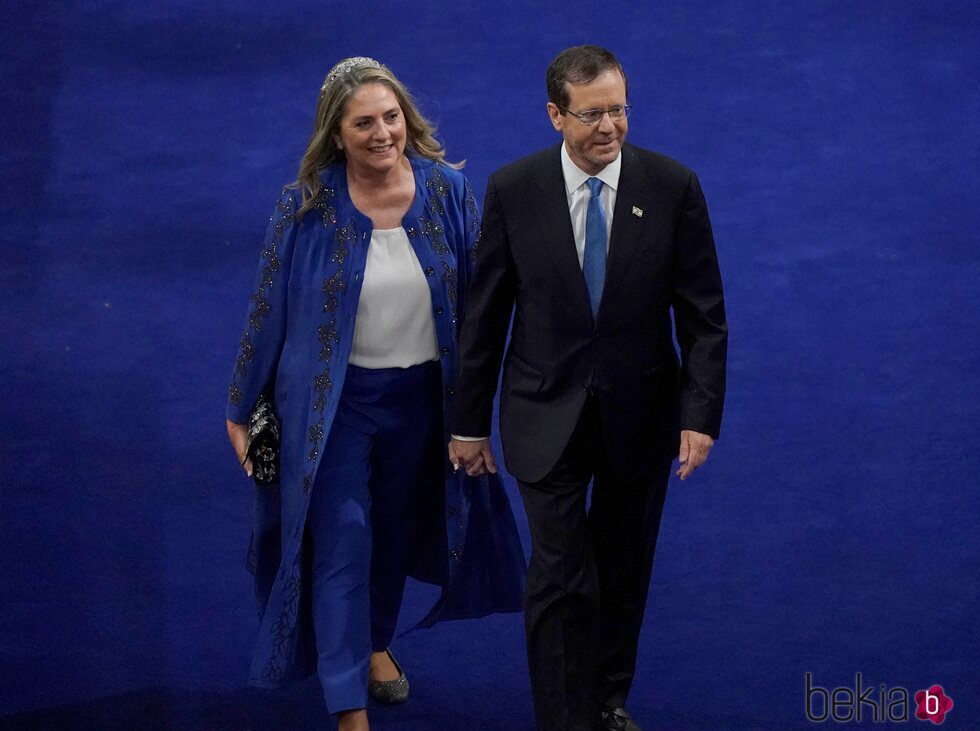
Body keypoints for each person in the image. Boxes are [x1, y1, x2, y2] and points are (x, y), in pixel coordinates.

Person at [225, 57, 524, 731]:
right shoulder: (303, 204)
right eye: (364, 122)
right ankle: (347, 704)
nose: (382, 133)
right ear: (337, 134)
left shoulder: (448, 191)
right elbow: (266, 309)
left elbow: (482, 305)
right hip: (335, 409)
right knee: (344, 541)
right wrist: (240, 406)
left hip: (426, 403)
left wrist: (479, 418)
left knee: (392, 537)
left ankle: (377, 641)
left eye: (391, 117)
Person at [448, 45, 728, 731]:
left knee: (623, 567)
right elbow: (484, 315)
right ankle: (564, 718)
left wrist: (701, 414)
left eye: (619, 110)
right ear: (555, 115)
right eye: (592, 113)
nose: (609, 126)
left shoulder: (673, 186)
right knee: (560, 570)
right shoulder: (515, 190)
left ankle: (606, 698)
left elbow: (704, 316)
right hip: (543, 411)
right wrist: (468, 422)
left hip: (642, 412)